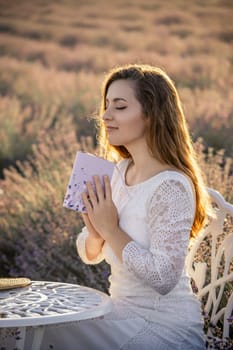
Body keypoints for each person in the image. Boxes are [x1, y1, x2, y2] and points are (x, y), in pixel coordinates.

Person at [43, 64, 212, 349]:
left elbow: (163, 278)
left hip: (164, 328)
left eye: (120, 107)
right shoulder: (120, 171)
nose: (105, 115)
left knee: (46, 336)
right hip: (118, 312)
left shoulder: (171, 186)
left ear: (151, 116)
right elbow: (89, 253)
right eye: (106, 105)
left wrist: (111, 229)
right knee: (41, 327)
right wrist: (96, 234)